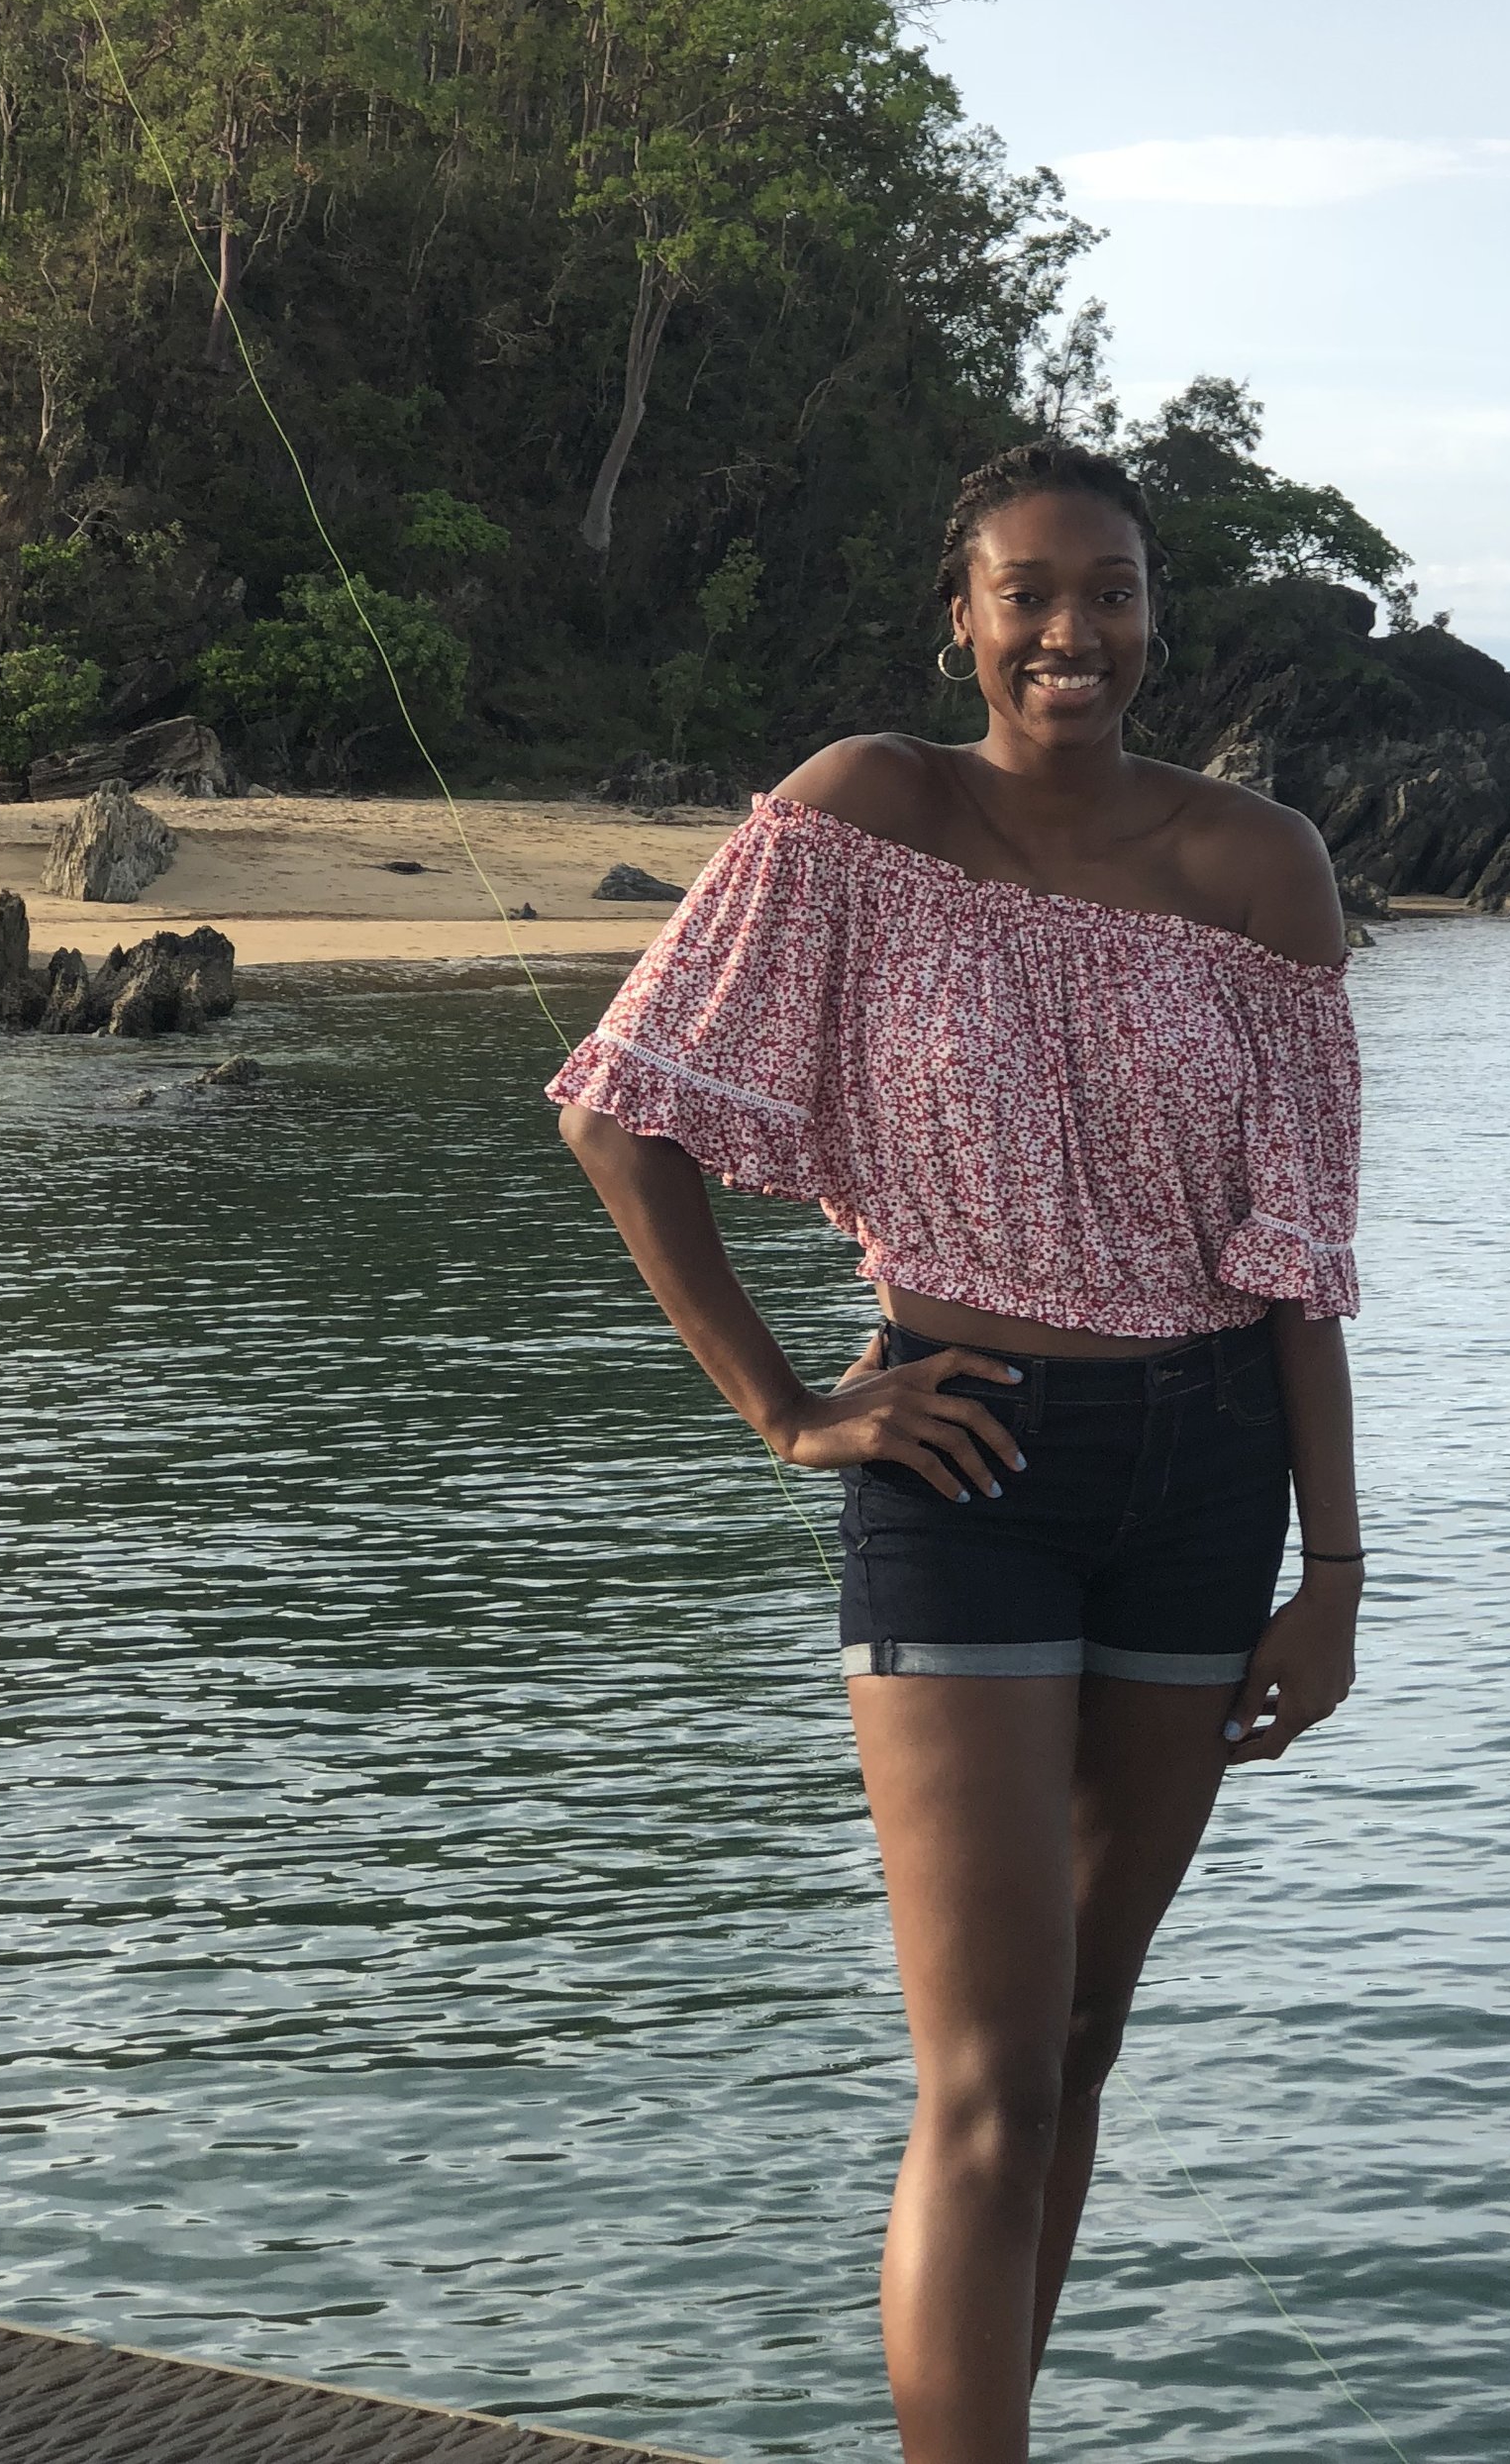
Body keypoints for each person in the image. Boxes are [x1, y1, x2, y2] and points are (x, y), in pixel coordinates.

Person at [549, 439, 1366, 2464]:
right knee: (989, 2067)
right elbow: (617, 1106)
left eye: (1110, 588)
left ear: (1155, 615)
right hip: (962, 1461)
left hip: (1202, 1476)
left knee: (1083, 2037)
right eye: (1027, 589)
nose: (1069, 629)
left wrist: (1333, 1570)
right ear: (960, 611)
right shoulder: (860, 816)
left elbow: (1296, 1262)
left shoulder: (1259, 867)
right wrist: (786, 1404)